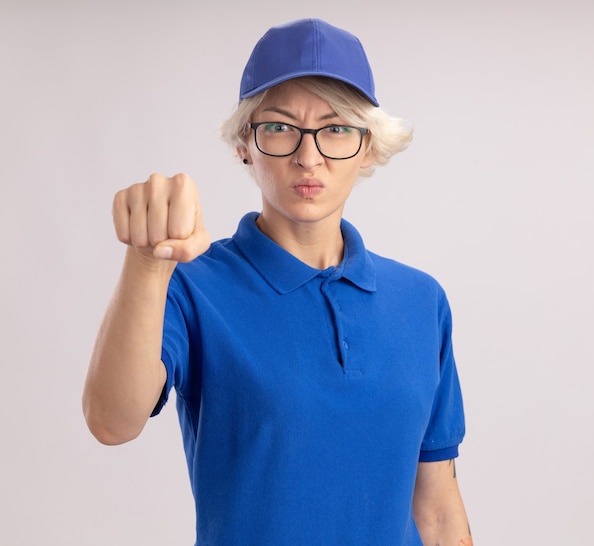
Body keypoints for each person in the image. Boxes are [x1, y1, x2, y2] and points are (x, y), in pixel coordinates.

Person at [82, 18, 473, 546]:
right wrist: (148, 263)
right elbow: (112, 421)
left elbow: (439, 509)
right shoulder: (192, 286)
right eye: (281, 127)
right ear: (245, 142)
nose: (308, 157)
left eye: (335, 128)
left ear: (368, 148)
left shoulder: (421, 301)